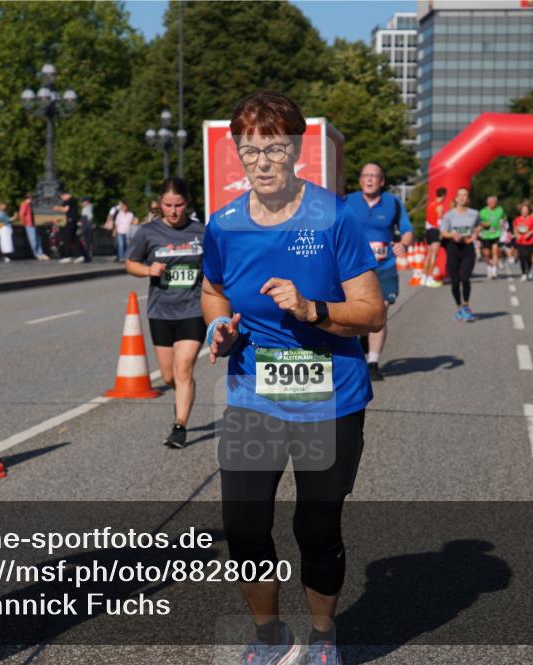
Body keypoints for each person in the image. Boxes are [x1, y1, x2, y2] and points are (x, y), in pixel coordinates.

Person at [202, 91, 384, 665]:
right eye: (248, 150)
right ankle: (269, 638)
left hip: (330, 399)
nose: (260, 162)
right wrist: (218, 331)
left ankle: (325, 636)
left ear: (295, 150)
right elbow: (212, 292)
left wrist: (313, 310)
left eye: (273, 149)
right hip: (255, 394)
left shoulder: (335, 215)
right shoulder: (224, 224)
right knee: (245, 525)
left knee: (317, 527)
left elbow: (373, 312)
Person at [125, 179, 205, 448]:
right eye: (168, 205)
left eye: (179, 205)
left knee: (183, 369)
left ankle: (179, 425)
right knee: (169, 376)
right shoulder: (147, 233)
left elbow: (216, 267)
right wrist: (149, 270)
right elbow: (130, 263)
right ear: (160, 203)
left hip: (193, 309)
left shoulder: (201, 232)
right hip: (161, 311)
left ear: (188, 204)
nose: (173, 211)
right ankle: (183, 394)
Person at [344, 163, 413, 381]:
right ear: (360, 180)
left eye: (374, 176)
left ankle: (372, 363)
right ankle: (358, 351)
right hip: (354, 269)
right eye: (366, 175)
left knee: (379, 314)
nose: (370, 179)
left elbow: (407, 231)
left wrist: (404, 244)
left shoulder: (393, 202)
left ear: (382, 181)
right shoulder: (347, 202)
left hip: (385, 267)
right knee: (356, 316)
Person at [439, 187, 480, 321]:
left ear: (468, 199)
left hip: (468, 249)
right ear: (456, 198)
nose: (462, 198)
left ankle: (466, 306)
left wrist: (475, 234)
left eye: (465, 195)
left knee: (465, 277)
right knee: (455, 281)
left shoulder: (474, 213)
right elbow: (443, 232)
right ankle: (459, 308)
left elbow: (478, 226)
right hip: (453, 249)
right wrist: (452, 234)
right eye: (460, 195)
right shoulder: (449, 215)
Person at [423, 186, 446, 287]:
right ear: (444, 195)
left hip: (428, 230)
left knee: (428, 255)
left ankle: (424, 277)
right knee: (434, 255)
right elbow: (440, 220)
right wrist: (442, 232)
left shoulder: (431, 204)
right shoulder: (439, 206)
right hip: (435, 230)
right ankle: (430, 278)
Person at [478, 195, 504, 279]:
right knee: (486, 254)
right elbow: (478, 222)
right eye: (490, 202)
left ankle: (494, 272)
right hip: (486, 235)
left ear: (496, 202)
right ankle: (489, 267)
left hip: (496, 234)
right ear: (487, 202)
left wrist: (502, 222)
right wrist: (484, 224)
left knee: (495, 252)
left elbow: (503, 218)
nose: (492, 203)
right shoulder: (482, 211)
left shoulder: (500, 210)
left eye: (493, 202)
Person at [18, 191, 48, 260]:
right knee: (33, 239)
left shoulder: (29, 205)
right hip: (29, 224)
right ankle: (36, 253)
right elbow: (21, 214)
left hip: (32, 223)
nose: (32, 200)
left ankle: (40, 253)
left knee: (37, 239)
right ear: (29, 198)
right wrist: (24, 222)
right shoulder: (24, 204)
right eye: (32, 198)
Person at [54, 192, 83, 263]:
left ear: (66, 195)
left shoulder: (70, 200)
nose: (62, 198)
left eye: (62, 197)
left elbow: (66, 209)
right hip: (74, 221)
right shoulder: (73, 200)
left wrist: (58, 208)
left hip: (70, 221)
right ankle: (79, 256)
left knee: (66, 238)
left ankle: (67, 256)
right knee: (74, 238)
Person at [513, 203, 533, 281]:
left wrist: (530, 233)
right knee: (522, 257)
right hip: (520, 242)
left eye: (526, 210)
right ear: (520, 211)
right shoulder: (517, 219)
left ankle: (529, 269)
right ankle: (523, 273)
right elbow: (515, 228)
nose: (524, 212)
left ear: (528, 211)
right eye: (523, 210)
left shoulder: (532, 219)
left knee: (528, 258)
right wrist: (517, 235)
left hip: (530, 242)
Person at [79, 196, 95, 262]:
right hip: (87, 227)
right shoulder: (87, 207)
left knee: (87, 242)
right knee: (87, 242)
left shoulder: (87, 208)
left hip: (87, 228)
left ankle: (87, 256)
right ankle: (87, 256)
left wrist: (86, 225)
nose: (82, 203)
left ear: (86, 202)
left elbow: (90, 217)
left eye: (83, 202)